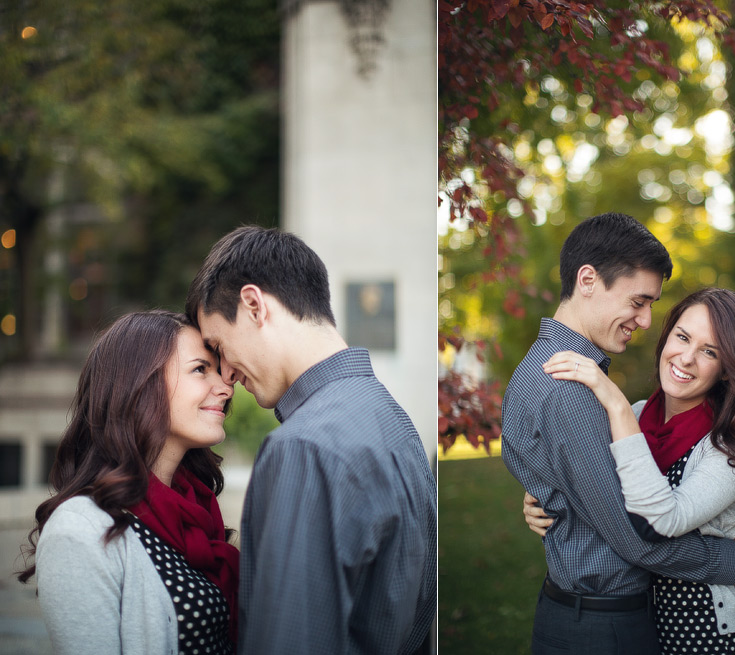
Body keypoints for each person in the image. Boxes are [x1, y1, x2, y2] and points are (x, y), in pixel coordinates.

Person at [501, 213, 735, 655]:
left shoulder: (541, 369)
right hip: (603, 627)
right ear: (588, 280)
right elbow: (636, 536)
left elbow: (588, 491)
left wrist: (554, 498)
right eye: (638, 301)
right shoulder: (571, 390)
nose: (644, 319)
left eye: (652, 305)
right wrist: (728, 560)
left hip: (596, 615)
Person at [184, 225, 436, 654]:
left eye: (219, 345)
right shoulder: (393, 419)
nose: (225, 372)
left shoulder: (303, 447)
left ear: (253, 305)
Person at [527, 287, 735, 653]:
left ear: (729, 371)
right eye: (682, 337)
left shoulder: (733, 446)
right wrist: (542, 500)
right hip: (634, 627)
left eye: (710, 352)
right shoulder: (636, 415)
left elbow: (661, 520)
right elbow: (594, 486)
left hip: (703, 637)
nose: (686, 358)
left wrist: (614, 403)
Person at [18, 310, 240, 655]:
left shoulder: (196, 509)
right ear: (141, 386)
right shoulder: (81, 527)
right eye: (200, 369)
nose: (226, 386)